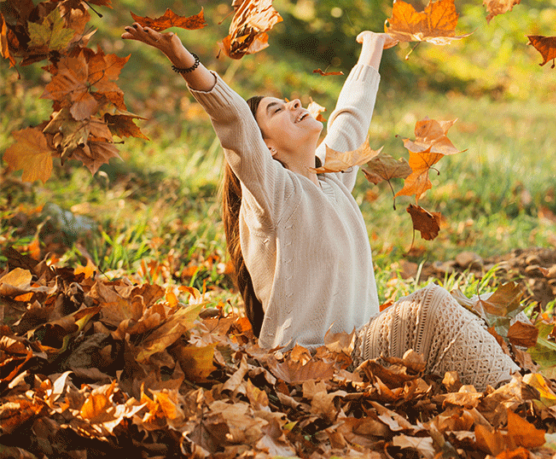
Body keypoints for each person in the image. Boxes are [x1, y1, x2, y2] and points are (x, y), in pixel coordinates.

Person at [121, 23, 520, 389]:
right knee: (430, 304)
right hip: (309, 364)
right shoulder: (273, 197)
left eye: (287, 102)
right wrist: (185, 62)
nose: (295, 103)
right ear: (267, 148)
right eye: (276, 110)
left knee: (471, 307)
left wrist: (373, 49)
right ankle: (519, 396)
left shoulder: (331, 179)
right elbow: (236, 122)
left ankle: (512, 387)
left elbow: (351, 118)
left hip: (361, 351)